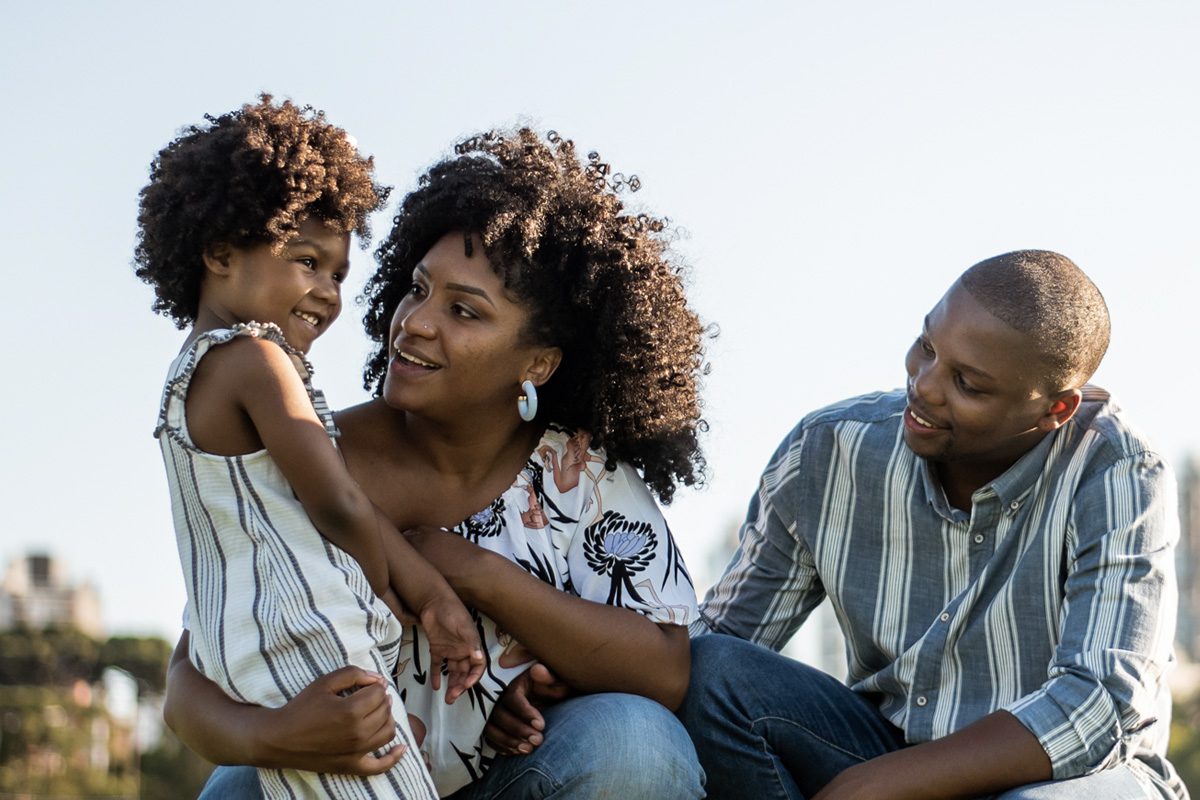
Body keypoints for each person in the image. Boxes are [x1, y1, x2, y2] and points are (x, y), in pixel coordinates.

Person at [162, 127, 709, 798]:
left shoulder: (580, 471)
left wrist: (464, 570)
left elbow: (664, 669)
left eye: (462, 311)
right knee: (233, 790)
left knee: (636, 742)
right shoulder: (316, 453)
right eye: (417, 289)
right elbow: (189, 675)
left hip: (519, 780)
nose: (415, 322)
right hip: (347, 781)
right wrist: (273, 734)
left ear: (537, 363)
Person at [677, 250, 1188, 799]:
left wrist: (871, 788)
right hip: (879, 746)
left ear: (1055, 411)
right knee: (712, 673)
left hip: (1072, 780)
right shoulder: (827, 452)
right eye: (927, 347)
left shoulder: (1116, 469)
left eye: (968, 383)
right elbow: (718, 646)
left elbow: (1101, 703)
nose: (924, 384)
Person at [136, 96, 486, 799]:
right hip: (314, 650)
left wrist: (429, 591)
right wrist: (391, 591)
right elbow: (337, 501)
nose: (327, 292)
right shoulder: (254, 361)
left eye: (337, 274)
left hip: (253, 654)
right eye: (306, 260)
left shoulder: (191, 377)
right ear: (219, 253)